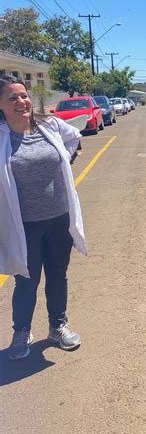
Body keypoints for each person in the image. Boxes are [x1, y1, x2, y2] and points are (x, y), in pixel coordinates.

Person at [0, 74, 87, 360]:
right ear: (1, 104)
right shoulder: (2, 137)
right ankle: (21, 331)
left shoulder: (48, 125)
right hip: (23, 224)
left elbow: (74, 137)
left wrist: (66, 162)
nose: (21, 101)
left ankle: (57, 326)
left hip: (58, 218)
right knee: (26, 279)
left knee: (57, 275)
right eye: (12, 97)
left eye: (23, 95)